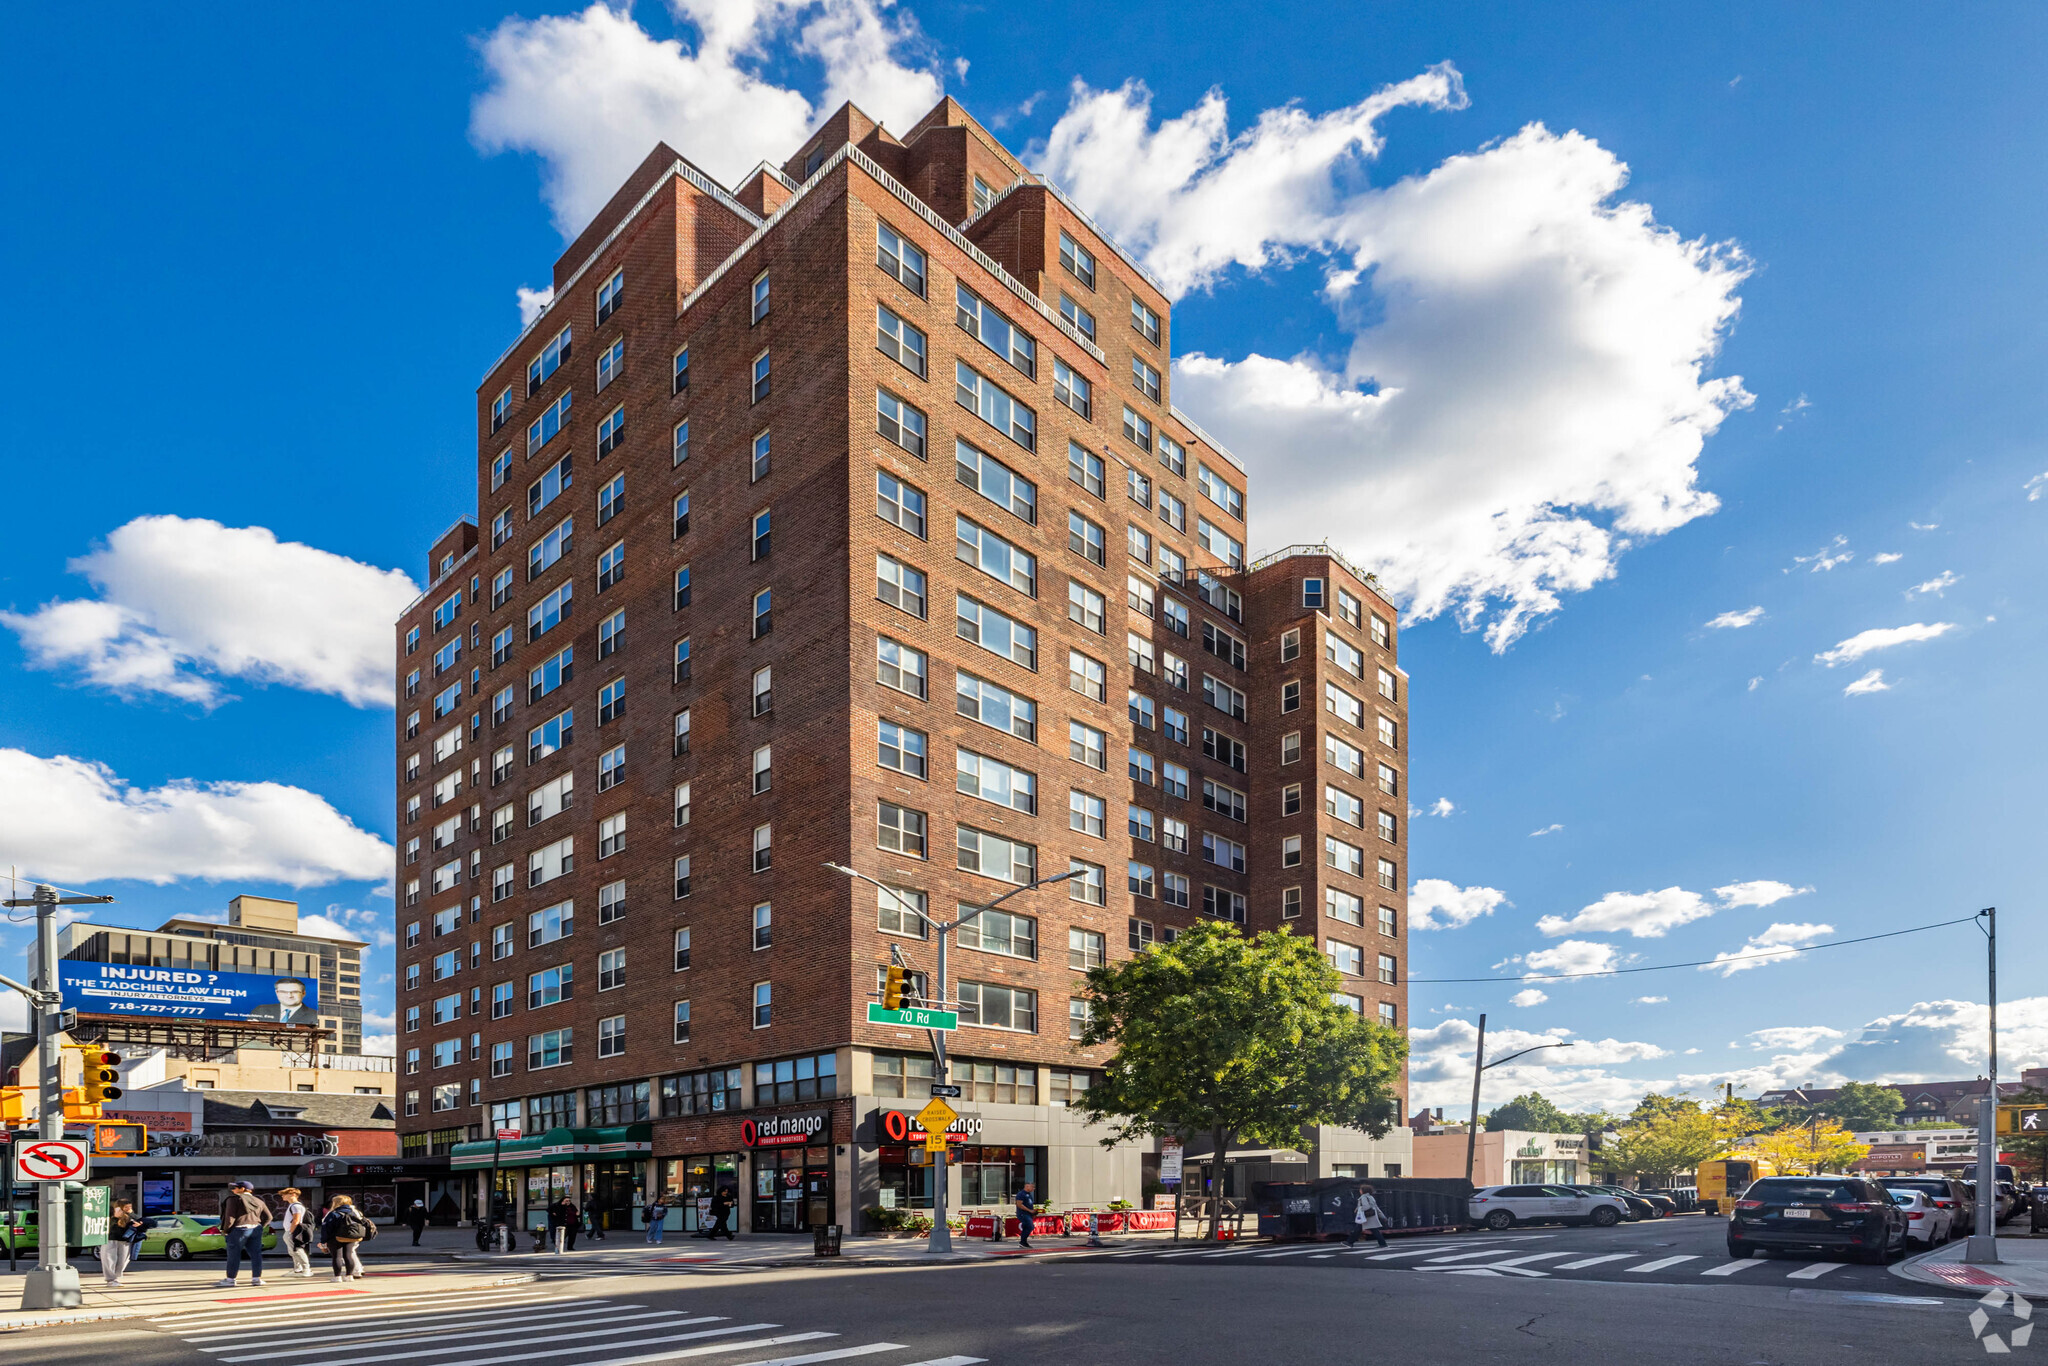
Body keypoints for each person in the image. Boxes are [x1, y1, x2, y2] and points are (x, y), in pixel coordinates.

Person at [215, 1180, 271, 1286]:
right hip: (255, 1229)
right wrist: (260, 1227)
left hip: (238, 1230)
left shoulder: (234, 1200)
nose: (233, 1190)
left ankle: (231, 1279)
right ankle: (256, 1278)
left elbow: (230, 1217)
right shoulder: (259, 1201)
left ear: (243, 1189)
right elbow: (269, 1217)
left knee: (234, 1255)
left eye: (236, 1188)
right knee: (256, 1254)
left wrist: (226, 1230)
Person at [319, 1194, 369, 1282]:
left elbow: (326, 1228)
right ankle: (349, 1276)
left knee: (337, 1257)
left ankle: (337, 1277)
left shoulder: (333, 1214)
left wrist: (324, 1241)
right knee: (348, 1256)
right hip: (351, 1236)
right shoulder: (355, 1212)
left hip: (336, 1238)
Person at [247, 977, 320, 1025]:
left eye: (294, 992)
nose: (289, 995)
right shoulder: (261, 1010)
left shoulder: (313, 1015)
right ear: (277, 992)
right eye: (284, 992)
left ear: (304, 993)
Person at [104, 1200, 144, 1286]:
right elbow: (109, 1227)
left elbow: (141, 1221)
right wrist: (115, 1217)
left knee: (123, 1260)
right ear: (119, 1207)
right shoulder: (111, 1214)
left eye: (130, 1207)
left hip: (124, 1240)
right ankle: (111, 1279)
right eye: (126, 1207)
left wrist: (132, 1214)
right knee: (110, 1259)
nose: (128, 1209)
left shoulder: (130, 1216)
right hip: (111, 1239)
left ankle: (116, 1277)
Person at [278, 1187, 314, 1277]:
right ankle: (298, 1269)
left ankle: (306, 1269)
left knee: (297, 1250)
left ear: (293, 1194)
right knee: (293, 1251)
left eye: (285, 1194)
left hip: (293, 1231)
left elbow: (296, 1220)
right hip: (291, 1231)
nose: (282, 1196)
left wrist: (291, 1232)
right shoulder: (293, 1205)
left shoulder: (296, 1206)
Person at [1347, 1184, 1388, 1249]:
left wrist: (1359, 1209)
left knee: (1359, 1229)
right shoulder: (1371, 1197)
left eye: (1360, 1190)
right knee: (1361, 1229)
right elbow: (1376, 1208)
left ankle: (1349, 1242)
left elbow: (1366, 1207)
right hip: (1371, 1217)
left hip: (1366, 1217)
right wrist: (1383, 1216)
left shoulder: (1363, 1197)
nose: (1359, 1191)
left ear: (1363, 1191)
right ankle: (1350, 1242)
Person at [1014, 1183, 1038, 1250]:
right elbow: (1019, 1204)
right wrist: (1030, 1211)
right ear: (1027, 1186)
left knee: (1026, 1227)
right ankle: (1023, 1242)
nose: (1033, 1189)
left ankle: (1023, 1242)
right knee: (1030, 1226)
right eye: (1032, 1187)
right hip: (1023, 1214)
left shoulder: (1029, 1195)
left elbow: (1029, 1204)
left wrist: (1032, 1212)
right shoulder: (1021, 1194)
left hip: (1028, 1214)